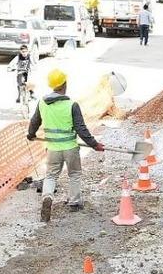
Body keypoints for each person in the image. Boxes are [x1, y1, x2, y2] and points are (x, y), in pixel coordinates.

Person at [26, 69, 105, 222]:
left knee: (51, 176)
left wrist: (31, 134)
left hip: (53, 149)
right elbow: (81, 129)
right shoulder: (71, 105)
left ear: (52, 86)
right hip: (70, 148)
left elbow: (35, 121)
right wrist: (94, 144)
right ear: (64, 84)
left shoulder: (42, 102)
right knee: (74, 174)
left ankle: (47, 197)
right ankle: (74, 202)